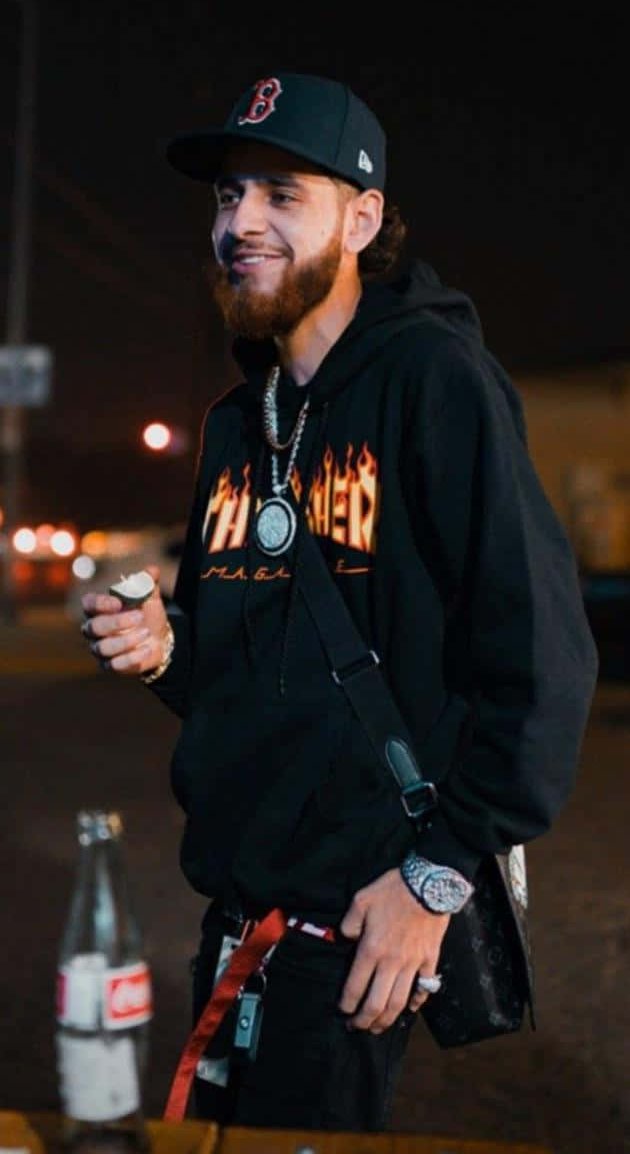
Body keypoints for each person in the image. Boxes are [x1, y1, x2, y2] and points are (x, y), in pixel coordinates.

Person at [80, 72, 599, 1133]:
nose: (242, 224)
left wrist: (438, 877)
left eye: (282, 195)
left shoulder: (433, 381)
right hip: (237, 910)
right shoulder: (238, 424)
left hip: (361, 919)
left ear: (362, 221)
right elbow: (247, 671)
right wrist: (164, 650)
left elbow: (545, 662)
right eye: (228, 197)